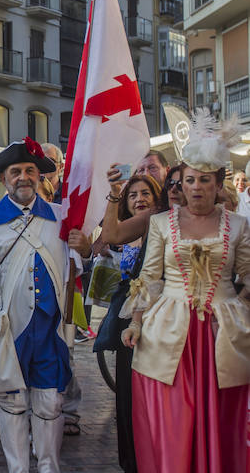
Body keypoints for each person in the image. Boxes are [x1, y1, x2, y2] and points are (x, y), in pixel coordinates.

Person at [121, 113, 250, 472]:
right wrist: (135, 323)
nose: (195, 187)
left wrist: (238, 309)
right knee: (175, 418)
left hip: (221, 335)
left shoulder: (238, 226)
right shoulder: (163, 223)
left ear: (218, 183)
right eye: (189, 180)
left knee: (221, 417)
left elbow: (249, 277)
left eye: (204, 181)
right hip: (170, 332)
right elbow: (149, 278)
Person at [0, 138, 90, 473]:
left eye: (30, 171)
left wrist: (87, 247)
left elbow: (80, 263)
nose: (23, 177)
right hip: (8, 330)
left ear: (40, 177)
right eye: (16, 171)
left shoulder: (62, 217)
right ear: (4, 179)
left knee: (51, 404)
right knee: (12, 404)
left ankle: (49, 468)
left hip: (50, 332)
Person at [98, 173, 162, 473]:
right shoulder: (141, 224)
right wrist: (113, 195)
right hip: (131, 314)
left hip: (166, 318)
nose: (140, 199)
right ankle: (132, 461)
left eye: (145, 192)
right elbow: (106, 238)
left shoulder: (164, 221)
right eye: (133, 194)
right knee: (129, 392)